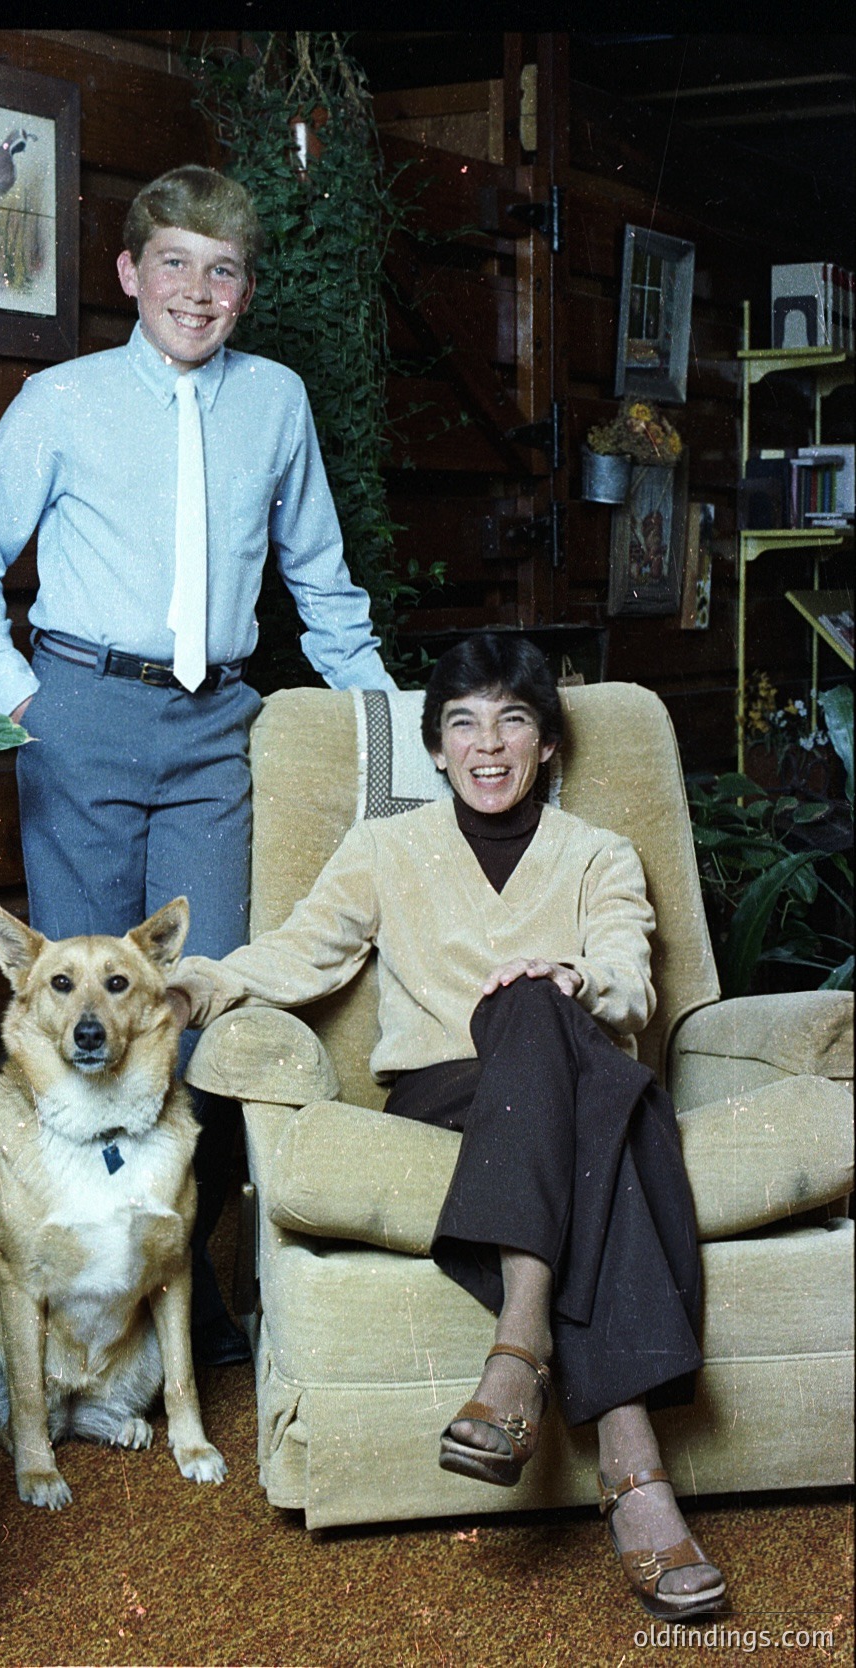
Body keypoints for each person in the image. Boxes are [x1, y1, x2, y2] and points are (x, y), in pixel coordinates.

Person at [0, 164, 396, 1366]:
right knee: (79, 1011)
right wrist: (26, 698)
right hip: (78, 708)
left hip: (212, 727)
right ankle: (71, 1290)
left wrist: (391, 731)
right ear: (132, 274)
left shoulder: (277, 400)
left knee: (199, 999)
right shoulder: (61, 400)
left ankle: (191, 1278)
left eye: (224, 270)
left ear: (245, 292)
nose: (198, 292)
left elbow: (323, 584)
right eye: (175, 264)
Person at [168, 632, 726, 1620]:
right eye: (462, 722)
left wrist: (572, 981)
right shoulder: (385, 848)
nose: (487, 744)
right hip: (447, 1093)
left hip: (582, 1073)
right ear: (432, 748)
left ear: (547, 743)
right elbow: (300, 952)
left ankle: (518, 1356)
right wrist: (203, 981)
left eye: (513, 719)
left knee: (540, 1014)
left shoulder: (598, 853)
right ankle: (634, 1475)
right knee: (579, 1084)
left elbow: (630, 981)